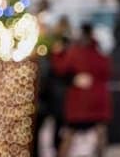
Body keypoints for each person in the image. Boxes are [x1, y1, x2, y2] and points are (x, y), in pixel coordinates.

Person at [52, 23, 111, 157]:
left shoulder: (75, 51)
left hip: (80, 103)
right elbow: (107, 71)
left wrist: (57, 54)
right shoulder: (99, 51)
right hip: (97, 102)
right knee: (100, 135)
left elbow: (61, 68)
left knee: (69, 135)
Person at [32, 15, 71, 157]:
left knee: (54, 129)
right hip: (50, 96)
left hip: (50, 96)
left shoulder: (50, 52)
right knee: (51, 128)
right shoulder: (47, 51)